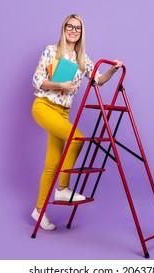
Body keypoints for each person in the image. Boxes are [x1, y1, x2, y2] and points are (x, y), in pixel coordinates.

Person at [31, 14, 122, 230]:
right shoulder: (51, 51)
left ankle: (38, 210)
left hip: (63, 113)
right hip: (44, 107)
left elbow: (98, 80)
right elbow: (36, 81)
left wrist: (113, 69)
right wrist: (61, 85)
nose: (73, 30)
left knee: (52, 165)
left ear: (81, 33)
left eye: (77, 28)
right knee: (78, 137)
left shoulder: (82, 59)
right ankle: (63, 188)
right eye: (69, 26)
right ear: (63, 29)